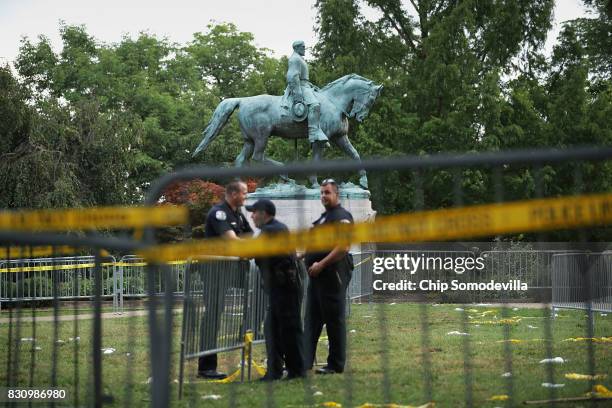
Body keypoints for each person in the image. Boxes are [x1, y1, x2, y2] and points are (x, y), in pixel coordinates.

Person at [197, 180, 253, 379]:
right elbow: (233, 240)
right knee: (213, 314)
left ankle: (247, 333)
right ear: (233, 193)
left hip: (231, 267)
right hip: (215, 269)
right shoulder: (219, 213)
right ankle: (206, 366)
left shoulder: (237, 214)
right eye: (244, 193)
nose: (246, 196)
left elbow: (249, 236)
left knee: (258, 293)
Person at [246, 199, 305, 380]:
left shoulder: (271, 230)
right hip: (283, 287)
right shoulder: (277, 228)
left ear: (264, 213)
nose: (252, 216)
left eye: (254, 212)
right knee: (274, 329)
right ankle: (277, 370)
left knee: (287, 330)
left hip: (284, 288)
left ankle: (295, 371)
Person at [303, 179, 354, 374]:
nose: (324, 196)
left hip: (332, 274)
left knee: (334, 320)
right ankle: (305, 361)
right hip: (317, 277)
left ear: (336, 195)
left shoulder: (341, 216)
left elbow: (343, 247)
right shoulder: (325, 218)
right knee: (312, 319)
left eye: (327, 193)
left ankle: (335, 364)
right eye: (322, 193)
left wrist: (321, 264)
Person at [286, 40, 328, 144]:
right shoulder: (295, 59)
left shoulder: (299, 58)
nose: (305, 49)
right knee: (315, 105)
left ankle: (320, 131)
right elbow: (292, 76)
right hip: (300, 87)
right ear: (296, 48)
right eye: (303, 47)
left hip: (305, 86)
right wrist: (297, 93)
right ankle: (313, 134)